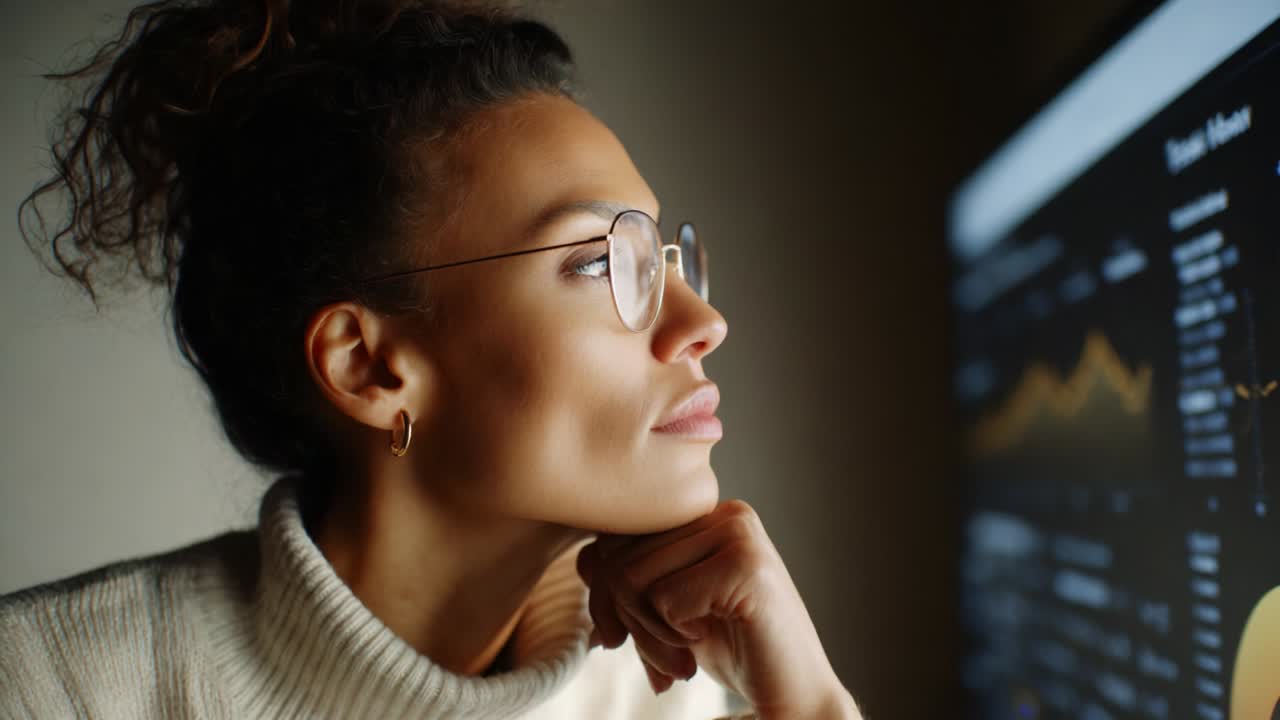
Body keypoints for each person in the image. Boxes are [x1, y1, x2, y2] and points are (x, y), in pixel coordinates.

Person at [0, 0, 860, 717]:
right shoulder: (52, 686)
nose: (702, 321)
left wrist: (814, 704)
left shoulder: (663, 694)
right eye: (601, 264)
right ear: (367, 367)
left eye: (663, 259)